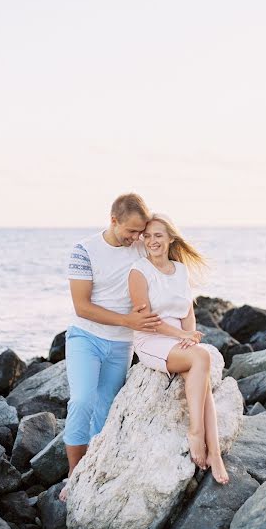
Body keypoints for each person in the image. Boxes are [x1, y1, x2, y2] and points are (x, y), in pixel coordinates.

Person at [59, 193, 161, 502]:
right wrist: (128, 320)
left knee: (106, 410)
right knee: (81, 400)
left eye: (140, 232)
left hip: (121, 344)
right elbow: (82, 306)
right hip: (85, 338)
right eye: (130, 231)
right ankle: (74, 474)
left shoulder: (141, 246)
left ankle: (96, 468)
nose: (135, 238)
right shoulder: (84, 251)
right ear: (113, 220)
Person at [128, 213, 229, 484]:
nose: (152, 241)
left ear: (171, 238)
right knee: (202, 359)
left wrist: (190, 337)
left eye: (158, 235)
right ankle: (196, 433)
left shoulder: (180, 270)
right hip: (152, 339)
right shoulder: (139, 271)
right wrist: (182, 335)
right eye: (147, 236)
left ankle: (215, 453)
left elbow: (187, 310)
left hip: (178, 338)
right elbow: (148, 320)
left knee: (201, 374)